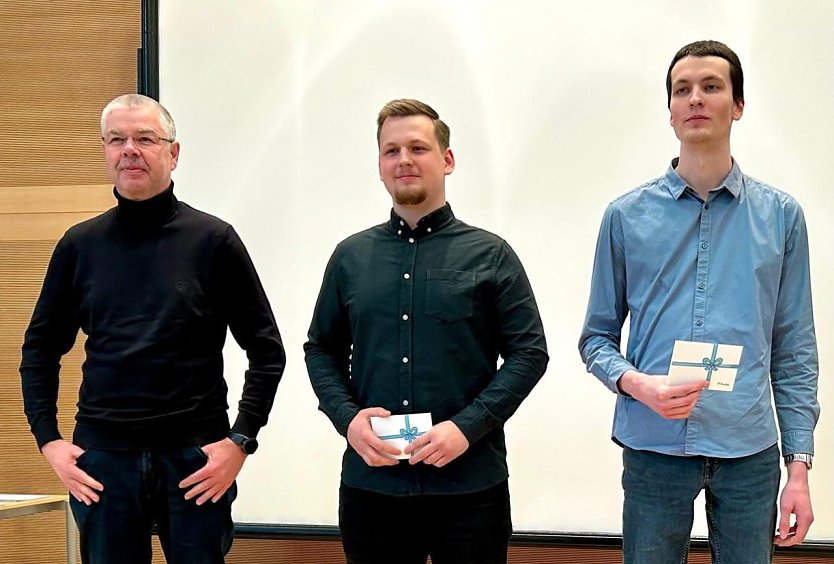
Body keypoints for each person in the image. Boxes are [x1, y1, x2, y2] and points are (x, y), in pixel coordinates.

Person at [579, 40, 819, 563]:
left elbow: (795, 349)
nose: (695, 99)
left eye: (711, 87)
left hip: (748, 450)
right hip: (653, 447)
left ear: (738, 106)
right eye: (681, 89)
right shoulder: (625, 217)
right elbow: (595, 339)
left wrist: (798, 467)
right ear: (669, 111)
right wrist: (638, 384)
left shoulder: (782, 217)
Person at [20, 94, 286, 564]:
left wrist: (241, 441)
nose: (130, 150)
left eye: (145, 138)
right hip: (103, 461)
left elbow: (266, 350)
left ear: (173, 153)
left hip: (195, 459)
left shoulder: (214, 240)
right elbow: (40, 349)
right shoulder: (79, 246)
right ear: (105, 151)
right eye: (116, 139)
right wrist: (49, 441)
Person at [305, 98, 548, 564]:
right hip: (372, 489)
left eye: (418, 148)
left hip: (469, 488)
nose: (404, 160)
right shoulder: (350, 258)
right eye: (391, 151)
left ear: (447, 159)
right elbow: (321, 349)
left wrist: (466, 427)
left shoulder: (491, 255)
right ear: (379, 166)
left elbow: (529, 353)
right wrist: (348, 420)